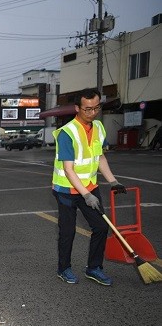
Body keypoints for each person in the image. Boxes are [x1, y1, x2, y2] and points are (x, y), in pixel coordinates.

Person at [52, 88, 126, 287]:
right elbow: (68, 169)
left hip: (90, 188)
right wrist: (86, 195)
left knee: (101, 227)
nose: (92, 113)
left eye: (96, 108)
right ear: (77, 108)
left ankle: (94, 268)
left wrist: (113, 181)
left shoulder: (99, 128)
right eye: (87, 109)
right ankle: (63, 268)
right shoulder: (67, 133)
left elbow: (99, 156)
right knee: (68, 231)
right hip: (67, 190)